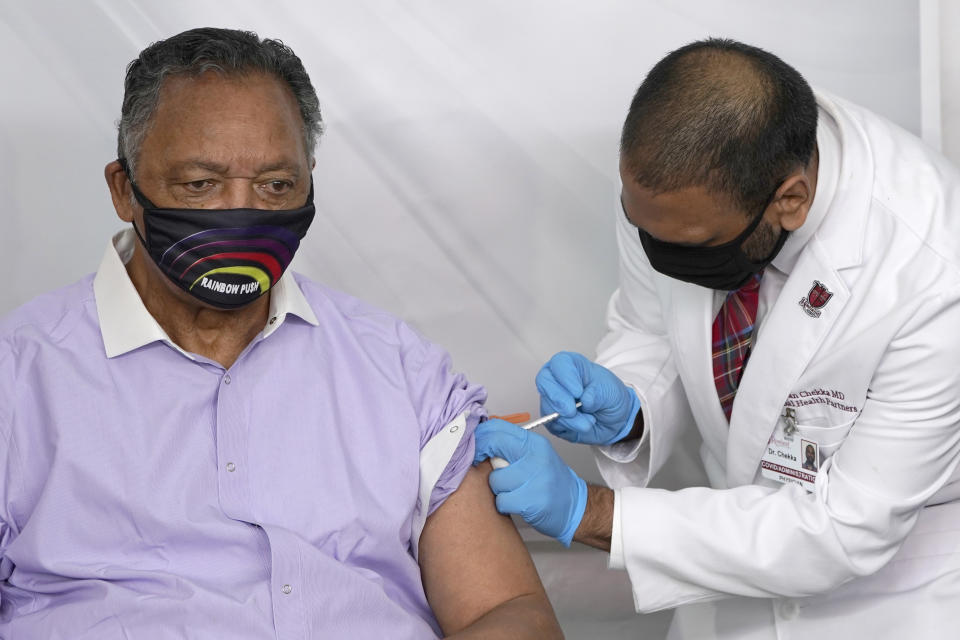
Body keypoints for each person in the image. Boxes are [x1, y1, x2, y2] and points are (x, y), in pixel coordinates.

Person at [0, 27, 562, 639]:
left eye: (276, 185)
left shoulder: (401, 371)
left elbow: (509, 612)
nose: (244, 214)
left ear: (310, 181)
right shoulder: (18, 378)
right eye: (199, 185)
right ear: (123, 188)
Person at [474, 38, 960, 638]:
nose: (661, 255)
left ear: (790, 201)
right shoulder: (672, 189)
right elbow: (652, 326)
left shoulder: (934, 268)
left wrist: (593, 511)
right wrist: (631, 409)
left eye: (693, 246)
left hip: (890, 597)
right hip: (726, 584)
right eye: (642, 228)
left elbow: (843, 529)